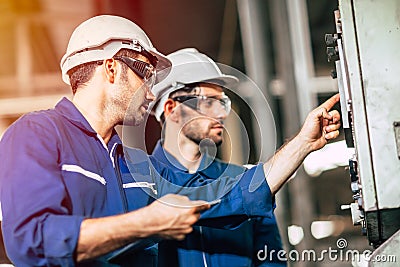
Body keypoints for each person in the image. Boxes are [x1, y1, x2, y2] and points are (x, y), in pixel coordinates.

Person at [0, 15, 275, 267]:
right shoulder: (37, 134)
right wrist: (144, 223)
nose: (151, 93)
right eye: (145, 74)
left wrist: (304, 142)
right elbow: (31, 241)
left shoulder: (135, 164)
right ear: (111, 69)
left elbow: (230, 198)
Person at [150, 48, 341, 266]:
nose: (222, 113)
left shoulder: (241, 180)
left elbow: (271, 260)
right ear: (172, 108)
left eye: (223, 103)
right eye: (208, 102)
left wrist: (304, 143)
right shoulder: (138, 184)